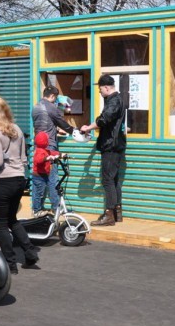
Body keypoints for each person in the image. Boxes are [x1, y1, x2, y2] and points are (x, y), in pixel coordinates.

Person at [0, 96, 39, 274]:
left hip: (1, 180)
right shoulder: (17, 129)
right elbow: (23, 158)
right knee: (12, 219)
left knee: (0, 224)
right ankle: (29, 252)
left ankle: (10, 263)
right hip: (19, 179)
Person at [81, 75, 127, 226]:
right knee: (113, 180)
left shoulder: (114, 100)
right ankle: (116, 212)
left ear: (107, 87)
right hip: (115, 144)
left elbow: (104, 118)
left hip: (111, 145)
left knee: (108, 180)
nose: (99, 91)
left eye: (100, 88)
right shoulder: (116, 100)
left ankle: (109, 215)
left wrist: (88, 127)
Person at [31, 85, 73, 212]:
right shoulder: (51, 107)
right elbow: (62, 122)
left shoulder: (36, 106)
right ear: (53, 96)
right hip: (49, 147)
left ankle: (38, 209)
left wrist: (54, 129)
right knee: (53, 178)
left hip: (39, 145)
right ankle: (56, 207)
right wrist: (74, 131)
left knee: (40, 180)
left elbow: (44, 124)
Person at [31, 131, 60, 217]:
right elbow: (39, 159)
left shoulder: (45, 150)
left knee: (42, 193)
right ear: (46, 142)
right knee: (39, 194)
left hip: (43, 175)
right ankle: (36, 210)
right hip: (38, 176)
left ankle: (39, 208)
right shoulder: (39, 151)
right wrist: (47, 158)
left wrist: (61, 154)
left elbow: (53, 153)